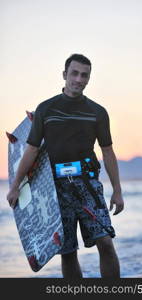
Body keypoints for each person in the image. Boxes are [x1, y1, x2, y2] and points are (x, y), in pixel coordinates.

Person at [7, 53, 124, 279]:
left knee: (106, 242)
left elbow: (107, 151)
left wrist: (117, 191)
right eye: (75, 73)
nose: (79, 79)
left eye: (84, 75)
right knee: (68, 251)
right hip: (55, 189)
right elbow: (31, 150)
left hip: (88, 184)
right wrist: (15, 185)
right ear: (64, 75)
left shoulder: (97, 112)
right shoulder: (46, 109)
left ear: (89, 79)